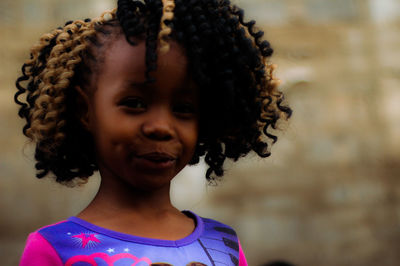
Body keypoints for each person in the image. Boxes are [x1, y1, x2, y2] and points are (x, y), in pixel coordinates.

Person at [15, 0, 291, 265]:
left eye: (184, 109)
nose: (160, 127)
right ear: (85, 111)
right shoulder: (56, 248)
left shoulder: (222, 245)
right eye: (134, 103)